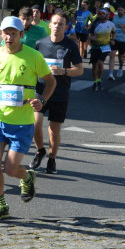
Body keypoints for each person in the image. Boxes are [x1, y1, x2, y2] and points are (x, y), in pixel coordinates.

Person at [0, 16, 55, 220]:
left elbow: (50, 80)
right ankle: (1, 205)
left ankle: (27, 177)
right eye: (6, 33)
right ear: (1, 34)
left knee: (10, 169)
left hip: (22, 123)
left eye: (14, 34)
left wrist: (42, 100)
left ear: (21, 34)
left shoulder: (33, 56)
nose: (9, 37)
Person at [31, 12, 83, 174]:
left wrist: (63, 71)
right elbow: (33, 67)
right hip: (40, 91)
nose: (57, 26)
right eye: (54, 23)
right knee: (35, 123)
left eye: (61, 24)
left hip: (60, 93)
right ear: (50, 25)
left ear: (66, 27)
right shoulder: (40, 44)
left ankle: (52, 159)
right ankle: (40, 151)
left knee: (54, 128)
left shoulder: (70, 45)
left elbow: (80, 70)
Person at [87, 8, 116, 91]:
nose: (102, 15)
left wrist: (112, 39)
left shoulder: (111, 24)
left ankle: (99, 80)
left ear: (107, 15)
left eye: (103, 13)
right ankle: (95, 81)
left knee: (100, 62)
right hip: (95, 46)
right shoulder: (95, 24)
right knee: (94, 65)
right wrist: (92, 38)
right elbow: (90, 35)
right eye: (100, 13)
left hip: (105, 46)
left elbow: (114, 32)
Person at [109, 4, 125, 80]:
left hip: (124, 40)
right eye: (119, 10)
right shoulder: (115, 17)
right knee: (112, 55)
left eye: (121, 10)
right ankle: (110, 74)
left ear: (124, 11)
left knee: (121, 56)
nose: (120, 11)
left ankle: (120, 67)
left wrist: (123, 26)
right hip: (115, 39)